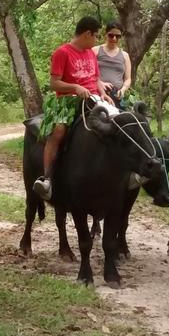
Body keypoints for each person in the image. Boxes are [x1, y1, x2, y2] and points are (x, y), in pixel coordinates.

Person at [33, 16, 114, 201]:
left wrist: (102, 93)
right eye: (96, 36)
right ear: (87, 34)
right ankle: (47, 179)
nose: (97, 40)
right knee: (59, 131)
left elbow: (96, 79)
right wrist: (75, 87)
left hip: (93, 100)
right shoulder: (62, 52)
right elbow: (54, 84)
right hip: (68, 101)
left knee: (121, 124)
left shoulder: (91, 54)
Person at [92, 21, 133, 109]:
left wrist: (123, 90)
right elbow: (88, 73)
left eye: (118, 36)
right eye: (111, 35)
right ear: (106, 34)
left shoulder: (125, 55)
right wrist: (100, 83)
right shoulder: (95, 51)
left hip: (117, 96)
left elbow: (128, 78)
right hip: (97, 94)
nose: (114, 38)